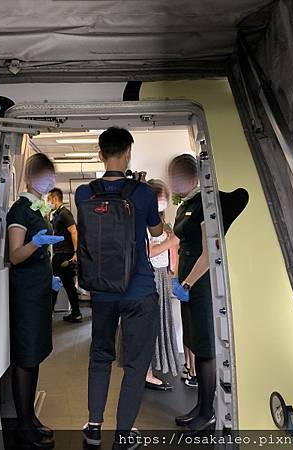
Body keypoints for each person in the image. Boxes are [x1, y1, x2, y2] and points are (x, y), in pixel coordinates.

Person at [76, 127, 163, 450]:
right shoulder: (143, 193)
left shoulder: (84, 193)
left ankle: (94, 426)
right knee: (136, 365)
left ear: (101, 154)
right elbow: (157, 232)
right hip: (139, 290)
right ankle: (124, 434)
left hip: (102, 291)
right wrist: (141, 190)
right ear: (128, 153)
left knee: (100, 357)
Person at [168, 154, 248, 433]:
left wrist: (187, 284)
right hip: (188, 284)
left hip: (200, 285)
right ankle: (200, 407)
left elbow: (209, 253)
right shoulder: (186, 205)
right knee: (194, 341)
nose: (173, 181)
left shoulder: (206, 203)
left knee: (205, 348)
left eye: (176, 176)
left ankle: (208, 412)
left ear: (191, 176)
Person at [6, 153, 64, 448]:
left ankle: (31, 417)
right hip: (26, 294)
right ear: (29, 177)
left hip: (39, 291)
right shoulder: (20, 210)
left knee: (36, 354)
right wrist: (35, 243)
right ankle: (24, 426)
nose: (48, 179)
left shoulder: (40, 209)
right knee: (25, 357)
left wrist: (49, 276)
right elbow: (16, 256)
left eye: (51, 174)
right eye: (43, 174)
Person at [144, 179, 180, 390]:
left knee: (158, 324)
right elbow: (147, 252)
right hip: (152, 277)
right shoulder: (144, 221)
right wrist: (170, 242)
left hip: (161, 275)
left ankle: (149, 370)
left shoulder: (160, 221)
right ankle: (146, 372)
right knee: (151, 326)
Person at [46, 187, 82, 322]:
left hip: (65, 254)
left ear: (55, 199)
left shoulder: (65, 214)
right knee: (64, 284)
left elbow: (74, 232)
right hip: (59, 253)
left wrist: (76, 252)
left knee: (60, 283)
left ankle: (51, 312)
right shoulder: (56, 214)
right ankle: (75, 312)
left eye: (49, 199)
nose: (48, 202)